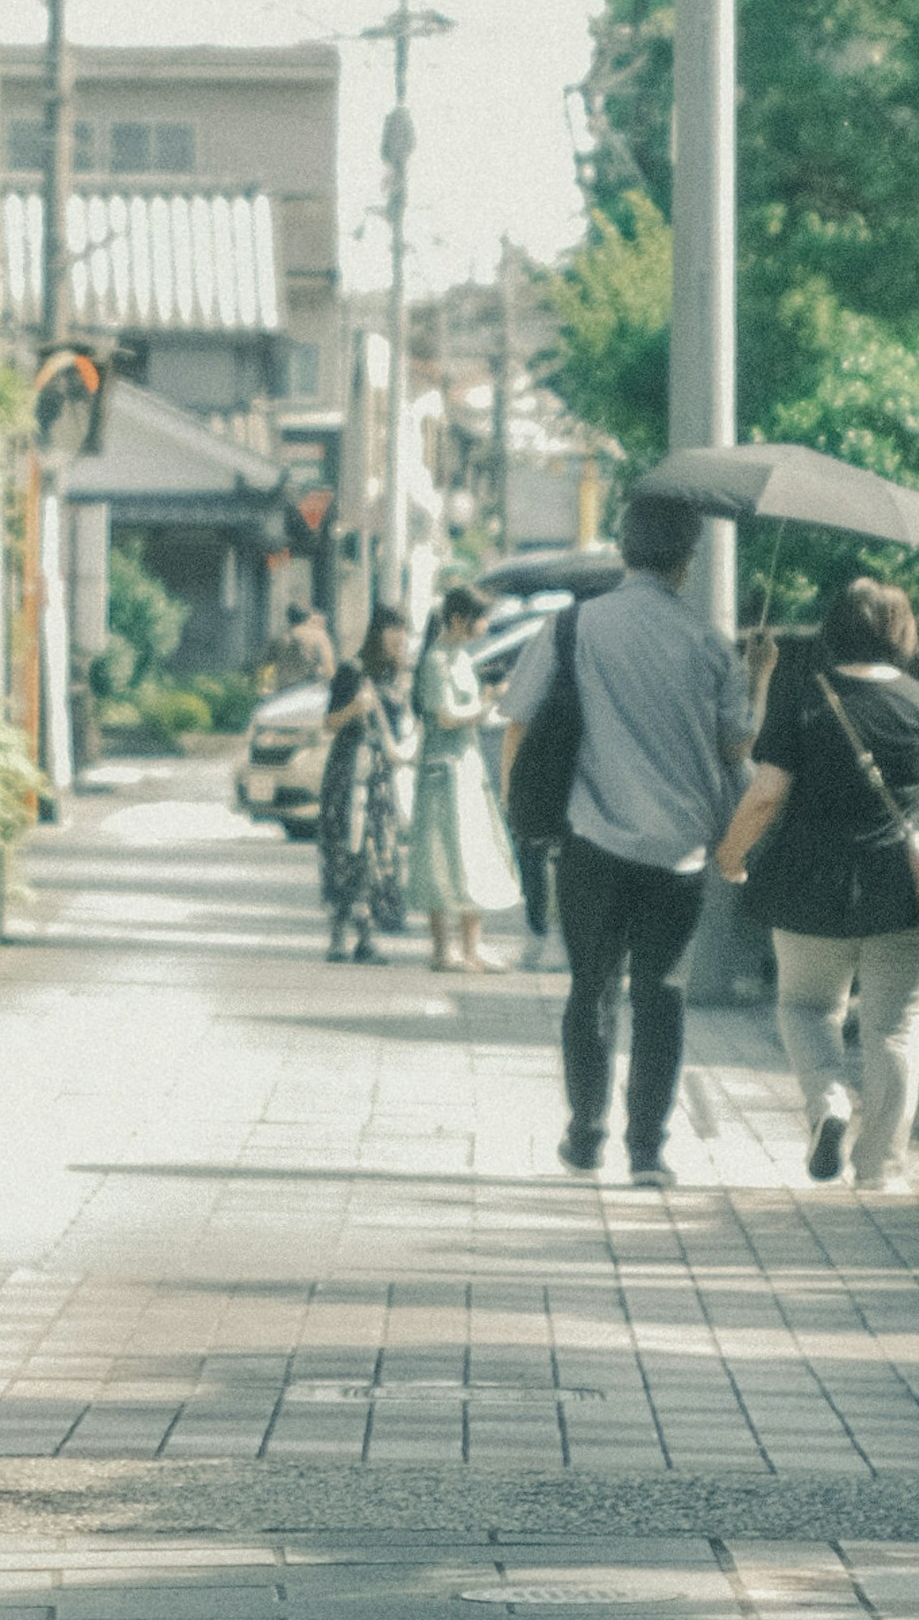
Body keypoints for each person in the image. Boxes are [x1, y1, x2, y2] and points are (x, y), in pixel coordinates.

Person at [500, 492, 759, 1185]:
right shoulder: (710, 645)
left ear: (623, 548)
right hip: (681, 851)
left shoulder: (572, 626)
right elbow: (738, 750)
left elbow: (519, 726)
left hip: (592, 842)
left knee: (591, 986)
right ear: (689, 559)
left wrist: (519, 814)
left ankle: (585, 1134)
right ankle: (648, 1151)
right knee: (660, 992)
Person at [719, 574, 919, 1193]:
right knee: (896, 1025)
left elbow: (766, 794)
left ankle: (828, 1105)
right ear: (902, 632)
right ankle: (881, 1171)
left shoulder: (803, 696)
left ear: (832, 629)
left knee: (805, 1007)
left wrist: (731, 856)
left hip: (809, 883)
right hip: (907, 886)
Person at [406, 587, 517, 970]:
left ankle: (472, 947)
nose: (485, 624)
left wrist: (486, 703)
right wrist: (486, 704)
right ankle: (443, 949)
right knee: (442, 858)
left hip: (466, 767)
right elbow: (445, 716)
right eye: (480, 616)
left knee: (476, 853)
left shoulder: (461, 659)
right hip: (443, 771)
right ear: (458, 619)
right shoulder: (436, 661)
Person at [316, 620, 414, 962]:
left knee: (376, 853)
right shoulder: (352, 672)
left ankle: (367, 936)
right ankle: (339, 936)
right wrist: (354, 709)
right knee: (345, 850)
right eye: (394, 632)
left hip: (380, 776)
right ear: (377, 635)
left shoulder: (398, 678)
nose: (400, 640)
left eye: (404, 634)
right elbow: (329, 723)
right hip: (349, 771)